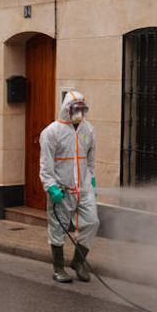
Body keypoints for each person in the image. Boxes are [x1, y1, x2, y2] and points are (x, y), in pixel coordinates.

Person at [38, 90, 97, 283]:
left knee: (92, 222)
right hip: (61, 191)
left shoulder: (88, 130)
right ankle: (58, 268)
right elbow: (46, 165)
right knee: (58, 228)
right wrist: (51, 187)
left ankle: (78, 262)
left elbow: (90, 160)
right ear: (67, 109)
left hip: (84, 189)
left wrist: (92, 180)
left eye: (82, 109)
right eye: (76, 109)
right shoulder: (51, 132)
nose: (80, 113)